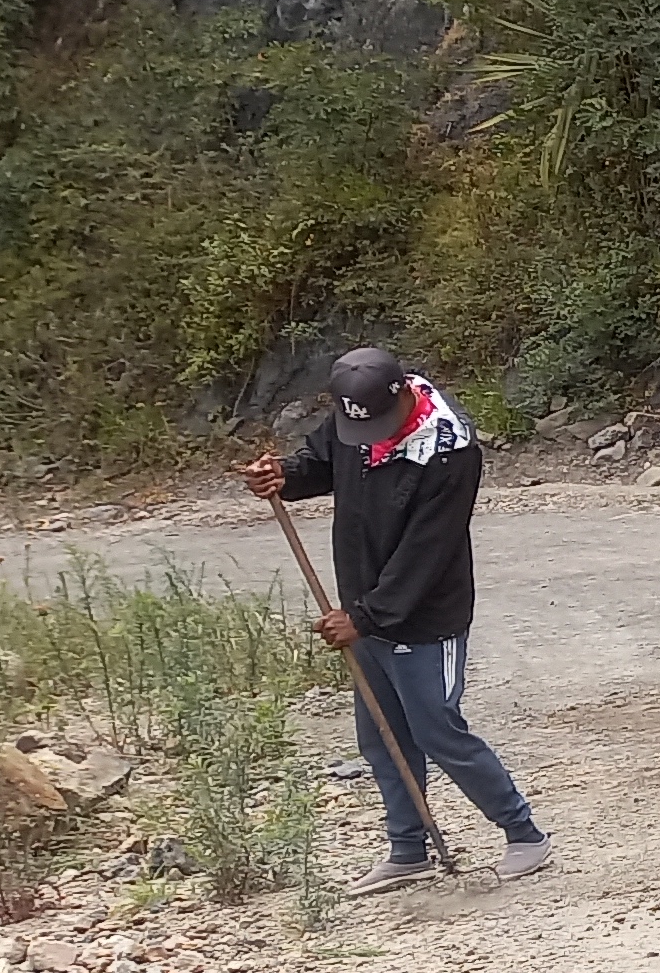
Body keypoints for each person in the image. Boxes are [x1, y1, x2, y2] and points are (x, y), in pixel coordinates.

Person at [235, 348, 556, 892]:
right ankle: (408, 850)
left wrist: (364, 616)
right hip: (363, 609)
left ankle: (524, 835)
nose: (364, 435)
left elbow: (427, 552)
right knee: (381, 737)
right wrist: (283, 476)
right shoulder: (357, 412)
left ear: (403, 393)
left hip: (425, 618)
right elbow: (321, 461)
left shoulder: (450, 450)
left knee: (437, 730)